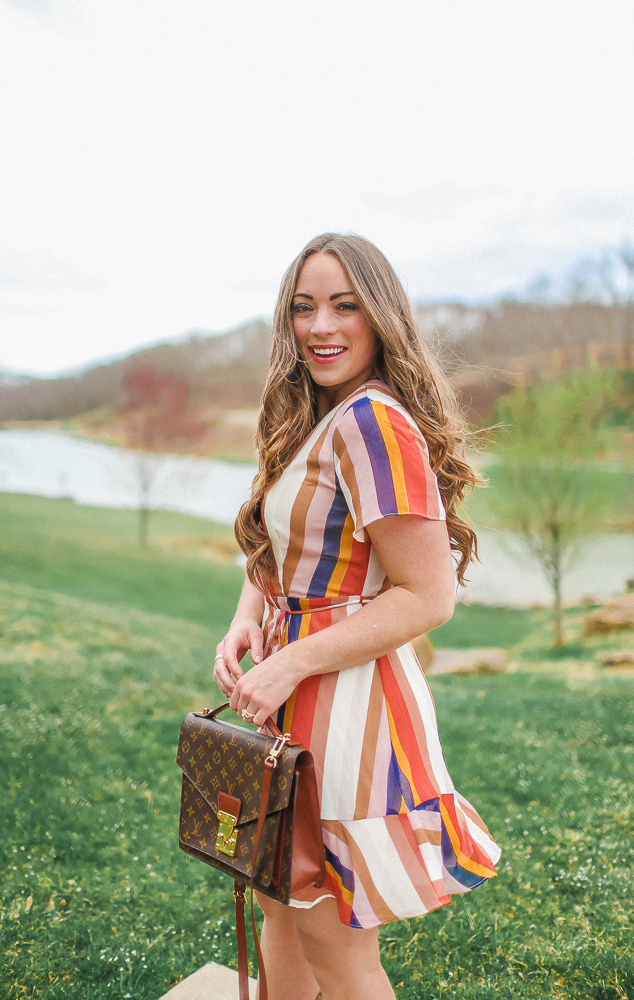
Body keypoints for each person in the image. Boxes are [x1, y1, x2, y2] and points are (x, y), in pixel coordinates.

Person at [213, 233, 500, 1000]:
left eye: (344, 304)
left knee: (335, 948)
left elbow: (425, 595)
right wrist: (249, 617)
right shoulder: (316, 416)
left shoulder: (374, 423)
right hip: (294, 696)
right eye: (303, 307)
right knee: (280, 901)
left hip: (346, 711)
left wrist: (289, 661)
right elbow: (282, 550)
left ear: (381, 317)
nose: (319, 326)